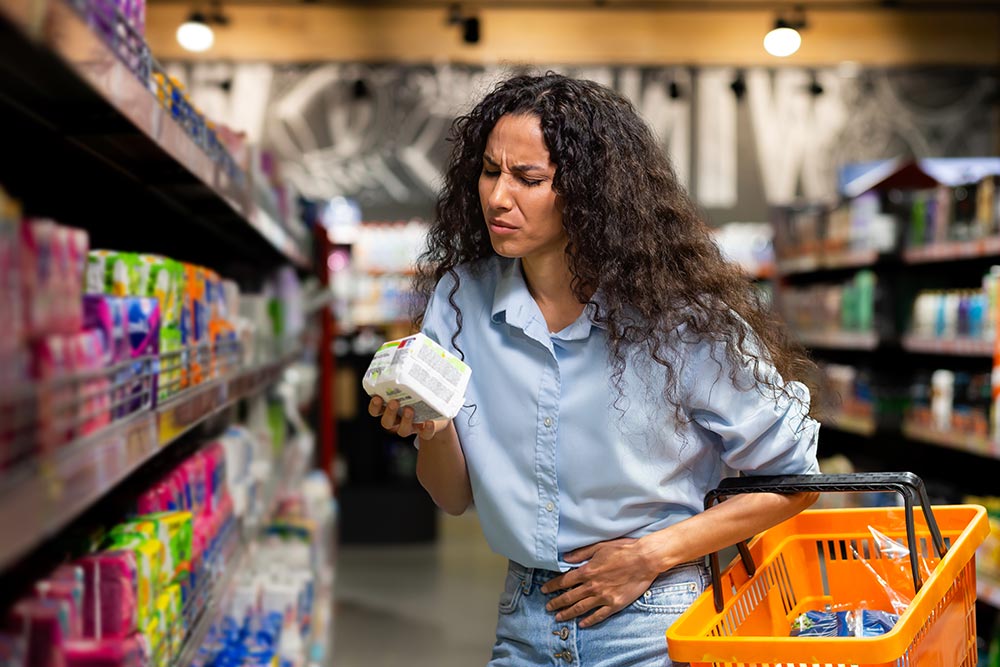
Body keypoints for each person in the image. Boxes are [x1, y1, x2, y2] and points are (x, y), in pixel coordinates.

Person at [367, 72, 820, 666]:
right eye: (489, 171)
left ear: (590, 194)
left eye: (530, 179)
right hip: (526, 616)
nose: (499, 197)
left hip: (657, 616)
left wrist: (652, 555)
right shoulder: (460, 301)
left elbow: (794, 481)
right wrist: (429, 424)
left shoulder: (678, 320)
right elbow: (451, 496)